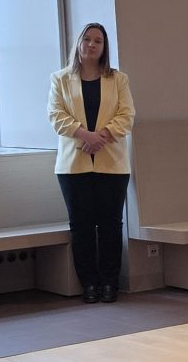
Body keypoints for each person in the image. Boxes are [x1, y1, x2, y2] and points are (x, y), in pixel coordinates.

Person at [49, 23, 137, 302]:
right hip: (73, 165)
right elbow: (56, 116)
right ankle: (88, 284)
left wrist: (102, 136)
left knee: (111, 225)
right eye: (87, 39)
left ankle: (110, 283)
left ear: (104, 47)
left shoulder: (118, 79)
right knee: (81, 226)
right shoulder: (60, 79)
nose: (91, 44)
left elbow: (127, 116)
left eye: (98, 41)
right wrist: (85, 135)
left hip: (112, 164)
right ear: (79, 43)